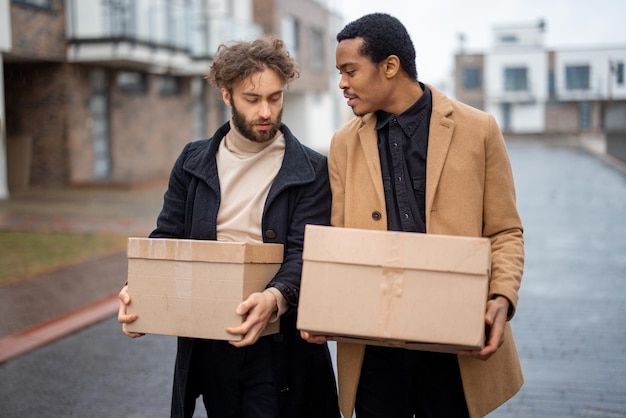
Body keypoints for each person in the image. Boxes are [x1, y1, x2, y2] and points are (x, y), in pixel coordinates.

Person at [302, 13, 525, 418]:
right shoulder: (342, 145)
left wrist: (502, 297)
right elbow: (336, 241)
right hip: (373, 347)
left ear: (390, 66)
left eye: (350, 71)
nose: (342, 84)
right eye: (339, 72)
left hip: (456, 340)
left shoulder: (479, 130)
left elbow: (506, 230)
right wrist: (321, 305)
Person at [118, 36, 340, 418]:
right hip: (209, 341)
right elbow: (167, 239)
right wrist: (139, 294)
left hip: (281, 346)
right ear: (226, 95)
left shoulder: (312, 169)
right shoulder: (191, 161)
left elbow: (307, 252)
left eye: (275, 97)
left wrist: (275, 297)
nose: (266, 110)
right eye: (252, 99)